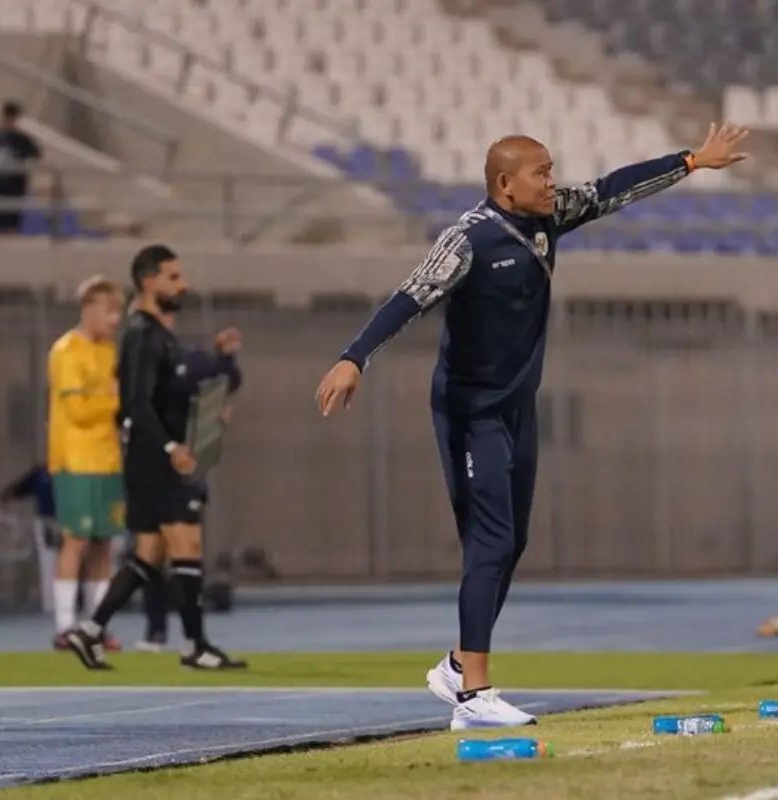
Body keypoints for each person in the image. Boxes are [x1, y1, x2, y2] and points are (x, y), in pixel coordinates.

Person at [315, 124, 750, 729]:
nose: (552, 181)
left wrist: (692, 161)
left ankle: (456, 666)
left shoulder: (549, 216)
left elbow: (612, 189)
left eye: (550, 170)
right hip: (471, 412)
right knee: (489, 541)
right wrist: (353, 358)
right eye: (540, 172)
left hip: (517, 407)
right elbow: (410, 296)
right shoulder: (468, 239)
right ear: (504, 183)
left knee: (511, 542)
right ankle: (474, 693)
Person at [64, 244, 247, 670]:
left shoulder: (161, 336)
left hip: (151, 459)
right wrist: (170, 447)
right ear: (149, 282)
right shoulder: (142, 335)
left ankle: (89, 631)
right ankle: (196, 645)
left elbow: (171, 396)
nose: (183, 285)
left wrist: (210, 411)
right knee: (188, 544)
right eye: (173, 277)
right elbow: (136, 403)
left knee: (149, 555)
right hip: (156, 461)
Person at [138, 348, 243, 652]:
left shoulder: (200, 405)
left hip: (185, 485)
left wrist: (227, 361)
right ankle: (158, 631)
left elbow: (228, 381)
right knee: (154, 557)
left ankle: (190, 637)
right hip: (157, 484)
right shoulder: (159, 403)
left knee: (185, 560)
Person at [45, 276, 128, 652]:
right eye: (109, 311)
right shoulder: (66, 351)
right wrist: (113, 399)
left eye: (118, 312)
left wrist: (113, 401)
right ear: (89, 308)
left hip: (107, 459)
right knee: (75, 540)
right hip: (75, 459)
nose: (115, 319)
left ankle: (96, 624)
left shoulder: (108, 351)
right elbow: (78, 410)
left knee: (104, 544)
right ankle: (65, 627)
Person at [0, 100, 42, 235]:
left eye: (13, 117)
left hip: (15, 186)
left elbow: (36, 156)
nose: (11, 120)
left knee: (11, 222)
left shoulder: (23, 139)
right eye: (8, 117)